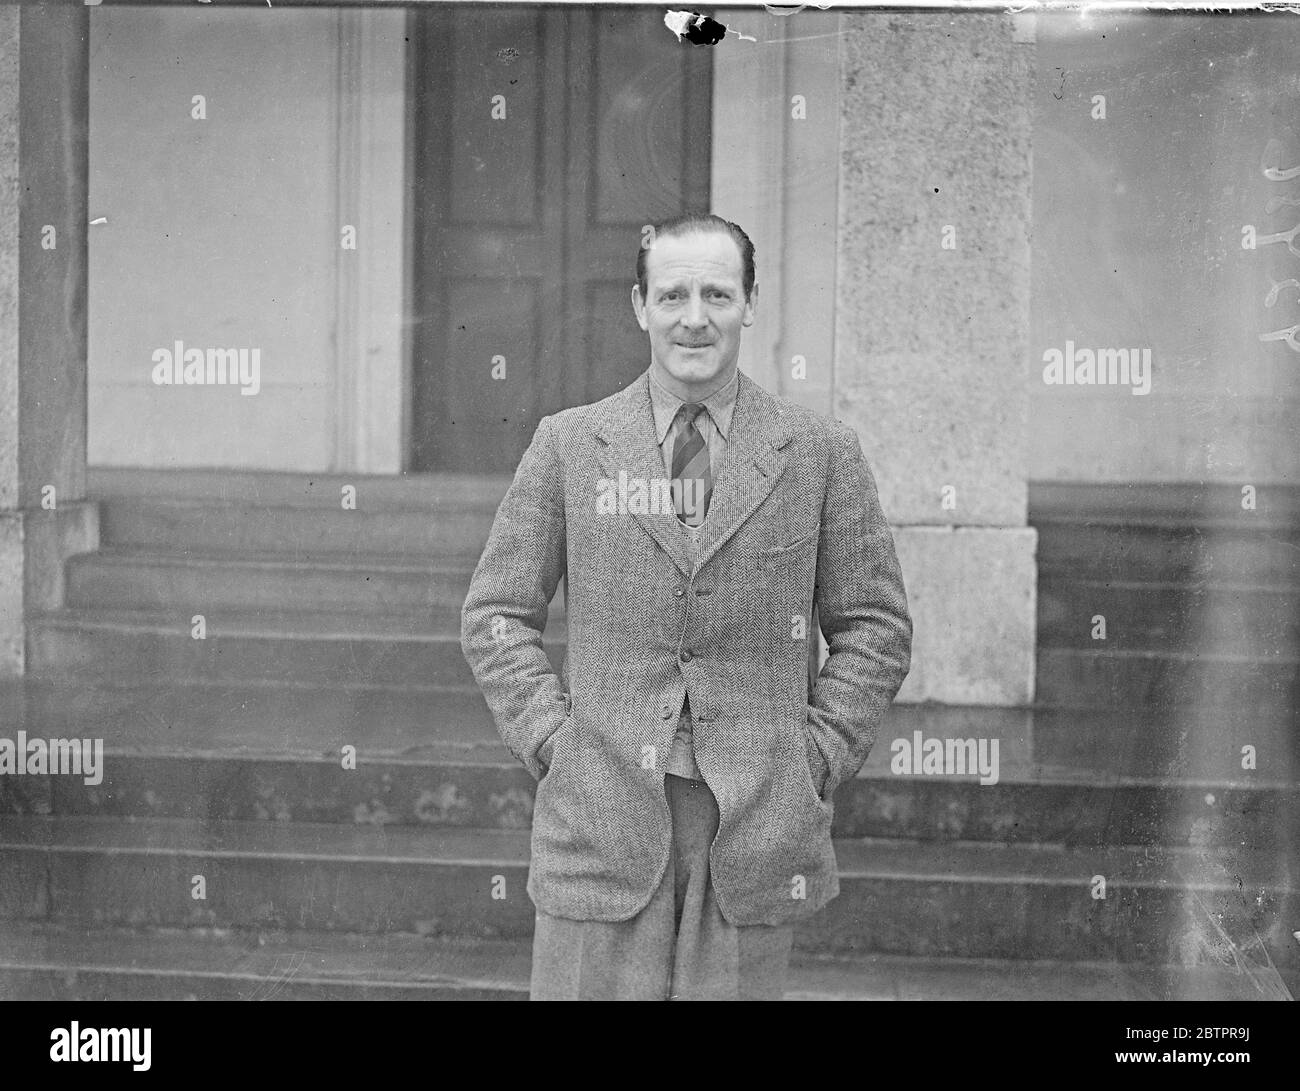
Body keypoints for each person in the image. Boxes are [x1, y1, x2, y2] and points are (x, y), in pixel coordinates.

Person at [460, 213, 912, 1000]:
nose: (694, 316)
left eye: (716, 293)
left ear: (750, 303)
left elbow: (874, 625)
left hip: (753, 817)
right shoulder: (571, 445)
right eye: (672, 294)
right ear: (640, 306)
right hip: (598, 812)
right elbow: (497, 614)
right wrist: (553, 745)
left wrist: (816, 755)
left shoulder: (818, 453)